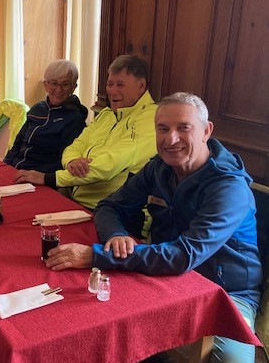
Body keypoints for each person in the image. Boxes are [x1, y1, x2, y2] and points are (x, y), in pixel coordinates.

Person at [45, 92, 261, 362]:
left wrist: (97, 255)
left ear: (206, 131)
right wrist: (116, 235)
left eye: (183, 128)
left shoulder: (229, 188)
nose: (171, 139)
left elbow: (183, 255)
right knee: (86, 324)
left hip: (225, 291)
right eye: (163, 129)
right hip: (163, 278)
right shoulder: (159, 167)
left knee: (229, 360)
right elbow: (109, 206)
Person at [13, 54, 158, 210]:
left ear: (141, 86)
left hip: (111, 210)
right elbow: (76, 145)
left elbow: (108, 166)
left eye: (120, 85)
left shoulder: (151, 119)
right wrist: (72, 161)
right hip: (75, 198)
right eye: (110, 84)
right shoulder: (107, 114)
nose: (112, 91)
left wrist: (49, 178)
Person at [3, 59, 88, 173]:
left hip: (38, 176)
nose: (59, 89)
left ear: (73, 87)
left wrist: (35, 174)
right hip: (16, 169)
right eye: (54, 83)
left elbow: (62, 161)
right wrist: (4, 165)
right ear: (45, 85)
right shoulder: (37, 109)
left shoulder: (74, 119)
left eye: (65, 84)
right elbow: (18, 143)